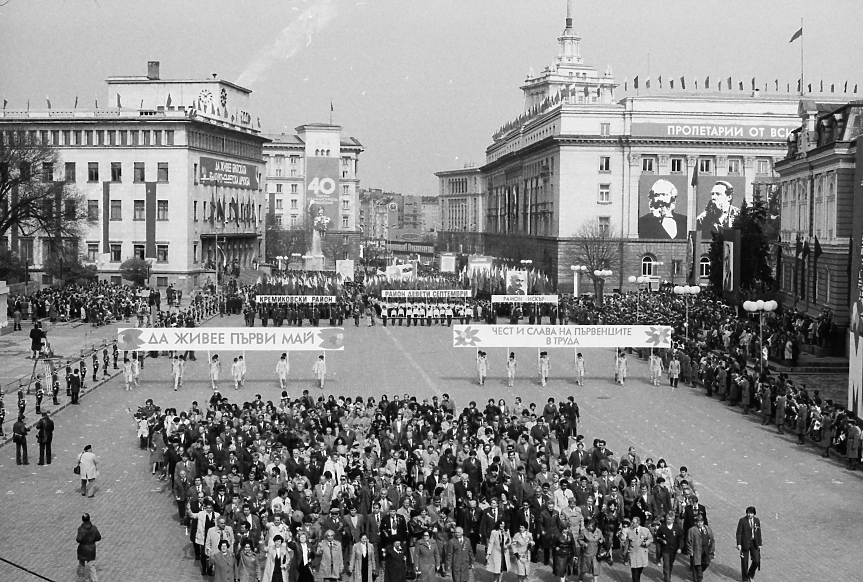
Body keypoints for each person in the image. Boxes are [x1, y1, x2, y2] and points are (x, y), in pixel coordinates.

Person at [654, 511, 683, 582]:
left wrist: (680, 548)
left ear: (673, 520)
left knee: (670, 564)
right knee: (666, 564)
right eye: (667, 519)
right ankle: (667, 579)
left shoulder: (677, 528)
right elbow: (657, 537)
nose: (668, 521)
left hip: (673, 550)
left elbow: (681, 539)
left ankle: (668, 575)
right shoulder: (662, 527)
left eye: (670, 519)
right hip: (665, 549)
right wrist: (662, 541)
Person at [735, 506, 762, 582]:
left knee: (756, 560)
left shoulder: (757, 521)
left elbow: (758, 532)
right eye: (748, 513)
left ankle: (750, 574)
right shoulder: (742, 521)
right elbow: (739, 533)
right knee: (744, 562)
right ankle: (745, 578)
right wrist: (739, 543)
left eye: (751, 513)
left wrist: (759, 543)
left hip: (754, 543)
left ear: (754, 514)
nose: (749, 515)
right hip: (745, 544)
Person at [622, 516, 652, 582]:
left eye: (633, 522)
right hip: (633, 553)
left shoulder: (645, 530)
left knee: (639, 571)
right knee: (634, 572)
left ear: (638, 523)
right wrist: (625, 552)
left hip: (641, 553)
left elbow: (650, 539)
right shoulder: (629, 531)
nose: (632, 524)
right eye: (632, 522)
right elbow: (627, 542)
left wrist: (646, 543)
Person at [687, 513, 714, 582]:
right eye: (698, 522)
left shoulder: (707, 528)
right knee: (698, 565)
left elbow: (712, 539)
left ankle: (698, 573)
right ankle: (699, 578)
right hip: (697, 550)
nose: (700, 524)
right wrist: (691, 551)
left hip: (706, 549)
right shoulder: (692, 530)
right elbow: (688, 542)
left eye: (701, 522)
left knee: (706, 563)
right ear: (696, 523)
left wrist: (712, 549)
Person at [76, 513, 102, 582]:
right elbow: (98, 537)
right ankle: (95, 580)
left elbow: (79, 539)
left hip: (83, 549)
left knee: (81, 564)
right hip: (91, 549)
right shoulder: (94, 528)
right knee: (91, 565)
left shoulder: (81, 529)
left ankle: (81, 578)